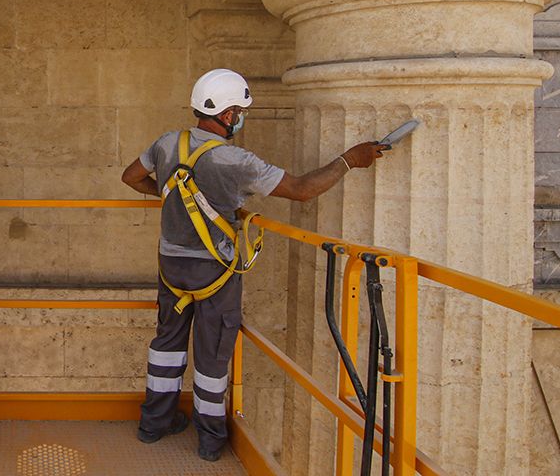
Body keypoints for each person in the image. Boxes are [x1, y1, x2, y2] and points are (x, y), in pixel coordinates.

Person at [120, 68, 386, 462]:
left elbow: (130, 177)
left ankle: (154, 424)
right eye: (240, 111)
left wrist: (169, 194)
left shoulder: (168, 142)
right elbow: (301, 190)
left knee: (167, 345)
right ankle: (210, 441)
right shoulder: (235, 160)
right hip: (214, 272)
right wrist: (349, 160)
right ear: (227, 115)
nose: (241, 118)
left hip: (171, 265)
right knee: (212, 356)